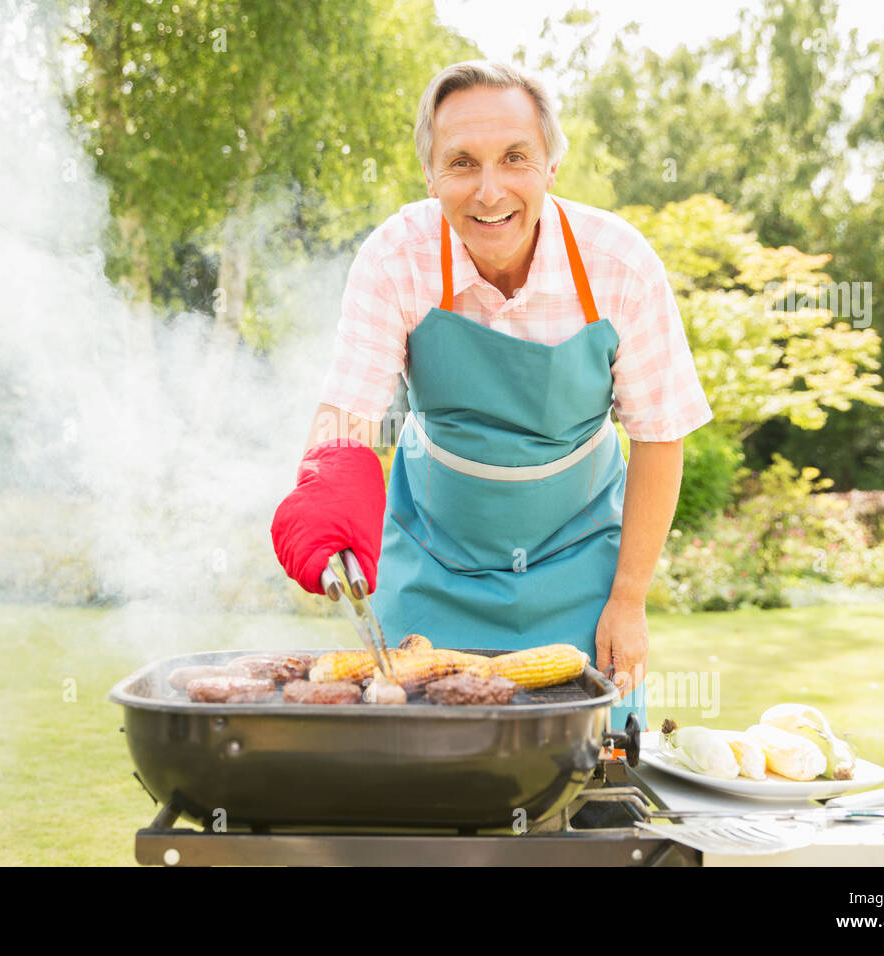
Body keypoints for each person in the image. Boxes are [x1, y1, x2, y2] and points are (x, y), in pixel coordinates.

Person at [271, 60, 713, 732]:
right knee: (413, 771)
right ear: (429, 174)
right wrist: (324, 487)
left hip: (581, 562)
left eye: (514, 158)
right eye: (461, 163)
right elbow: (350, 410)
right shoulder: (396, 258)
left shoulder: (619, 264)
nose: (489, 190)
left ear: (550, 167)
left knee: (593, 778)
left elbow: (660, 433)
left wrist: (628, 598)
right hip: (433, 562)